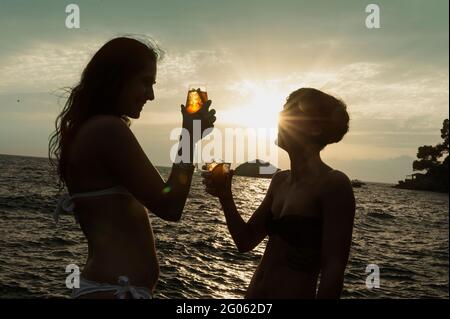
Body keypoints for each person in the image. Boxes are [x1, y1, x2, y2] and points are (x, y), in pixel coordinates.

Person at [49, 36, 216, 299]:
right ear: (117, 78)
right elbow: (170, 206)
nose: (151, 95)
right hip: (114, 291)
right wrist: (189, 136)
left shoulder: (91, 129)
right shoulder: (108, 129)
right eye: (145, 82)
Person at [202, 88, 355, 298]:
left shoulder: (334, 184)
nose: (281, 118)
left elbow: (333, 272)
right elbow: (245, 241)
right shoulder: (280, 180)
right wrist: (225, 196)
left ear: (315, 128)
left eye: (292, 112)